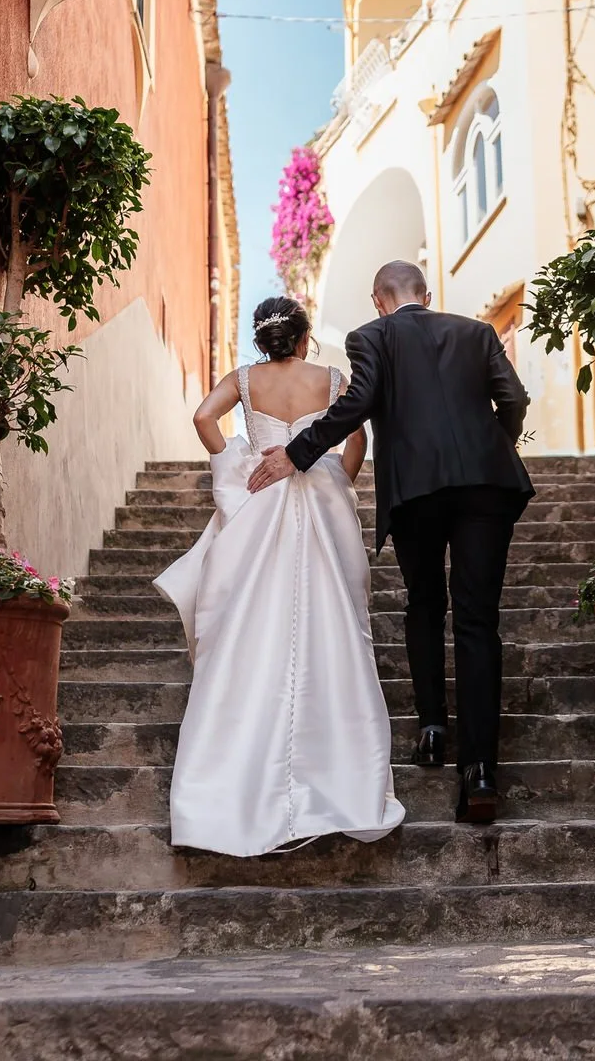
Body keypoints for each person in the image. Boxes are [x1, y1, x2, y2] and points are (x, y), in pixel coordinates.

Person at [247, 261, 533, 823]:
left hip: (417, 492)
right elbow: (515, 399)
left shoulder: (370, 336)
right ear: (427, 294)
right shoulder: (476, 333)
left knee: (425, 604)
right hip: (486, 488)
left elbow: (357, 405)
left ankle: (431, 730)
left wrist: (297, 453)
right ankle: (479, 772)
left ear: (378, 299)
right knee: (478, 621)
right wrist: (493, 447)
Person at [155, 296, 405, 856]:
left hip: (262, 492)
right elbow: (357, 436)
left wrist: (235, 461)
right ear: (303, 334)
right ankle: (338, 773)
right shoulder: (333, 376)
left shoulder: (244, 378)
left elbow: (202, 417)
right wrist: (340, 476)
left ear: (262, 337)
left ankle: (232, 780)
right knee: (333, 617)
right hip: (320, 493)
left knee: (253, 619)